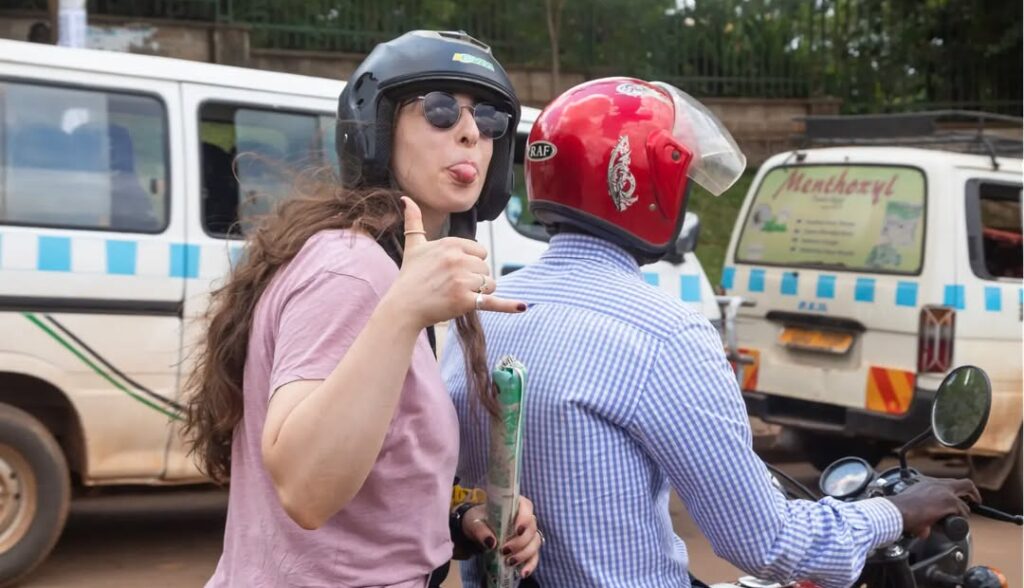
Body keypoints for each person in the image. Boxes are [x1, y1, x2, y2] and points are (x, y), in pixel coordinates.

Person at [442, 77, 981, 588]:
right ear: (647, 186)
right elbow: (767, 541)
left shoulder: (480, 313)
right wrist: (893, 512)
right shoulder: (664, 335)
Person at [184, 31, 543, 587]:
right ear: (376, 130)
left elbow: (363, 486)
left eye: (489, 118)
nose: (471, 132)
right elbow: (306, 490)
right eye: (441, 112)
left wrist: (457, 522)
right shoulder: (352, 270)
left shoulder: (382, 262)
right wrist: (402, 310)